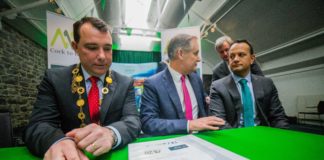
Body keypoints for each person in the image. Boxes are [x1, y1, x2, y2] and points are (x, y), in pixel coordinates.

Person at [24, 17, 141, 159]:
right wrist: (58, 141)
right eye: (92, 48)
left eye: (108, 48)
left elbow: (132, 120)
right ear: (75, 47)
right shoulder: (55, 79)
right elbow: (39, 124)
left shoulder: (125, 82)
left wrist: (111, 134)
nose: (102, 56)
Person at [140, 34, 225, 136]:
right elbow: (148, 123)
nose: (198, 59)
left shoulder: (196, 79)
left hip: (203, 140)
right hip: (174, 144)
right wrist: (189, 125)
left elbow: (202, 107)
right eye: (195, 53)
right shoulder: (153, 84)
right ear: (180, 54)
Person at [209, 40, 289, 129]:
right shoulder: (217, 87)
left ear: (252, 59)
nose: (235, 59)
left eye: (241, 55)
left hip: (263, 136)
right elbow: (219, 122)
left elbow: (278, 117)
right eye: (231, 56)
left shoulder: (267, 84)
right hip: (234, 138)